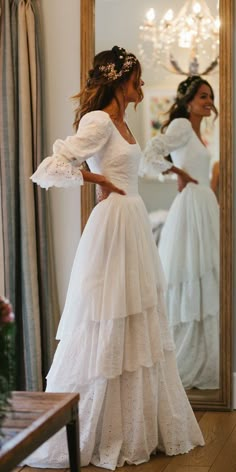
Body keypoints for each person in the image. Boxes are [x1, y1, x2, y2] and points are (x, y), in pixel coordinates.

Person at [25, 47, 204, 470]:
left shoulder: (124, 121)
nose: (141, 86)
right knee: (105, 318)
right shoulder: (99, 119)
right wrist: (94, 176)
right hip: (111, 229)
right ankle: (94, 428)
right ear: (120, 81)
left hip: (134, 224)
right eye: (137, 79)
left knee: (137, 320)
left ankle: (138, 426)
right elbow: (51, 166)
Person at [140, 75, 219, 390]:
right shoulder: (183, 126)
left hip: (205, 205)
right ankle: (184, 360)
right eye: (202, 96)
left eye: (211, 96)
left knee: (208, 278)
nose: (208, 101)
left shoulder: (199, 132)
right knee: (190, 276)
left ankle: (208, 356)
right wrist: (176, 171)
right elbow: (150, 155)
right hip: (191, 210)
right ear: (188, 102)